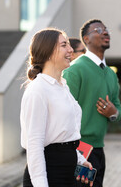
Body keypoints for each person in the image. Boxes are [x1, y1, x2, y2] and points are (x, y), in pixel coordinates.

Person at [20, 27, 93, 187]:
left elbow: (63, 134)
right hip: (48, 173)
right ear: (48, 51)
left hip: (67, 171)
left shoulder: (62, 86)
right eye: (64, 45)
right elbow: (35, 145)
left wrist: (80, 159)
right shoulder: (38, 89)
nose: (71, 50)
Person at [63, 19, 121, 187]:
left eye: (106, 30)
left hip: (98, 151)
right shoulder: (75, 70)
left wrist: (113, 114)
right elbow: (63, 113)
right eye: (98, 30)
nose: (105, 32)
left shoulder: (111, 74)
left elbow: (118, 109)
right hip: (80, 151)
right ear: (86, 39)